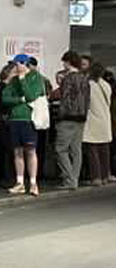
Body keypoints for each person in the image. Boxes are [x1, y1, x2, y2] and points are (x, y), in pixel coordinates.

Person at [3, 54, 45, 197]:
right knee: (17, 151)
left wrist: (22, 79)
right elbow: (5, 98)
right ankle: (20, 182)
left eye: (17, 64)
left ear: (24, 64)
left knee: (31, 150)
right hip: (15, 119)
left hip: (29, 119)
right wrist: (19, 99)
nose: (16, 67)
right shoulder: (12, 80)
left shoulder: (36, 77)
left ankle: (33, 183)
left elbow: (31, 95)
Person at [49, 51, 90, 191]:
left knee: (60, 149)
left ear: (68, 62)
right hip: (81, 118)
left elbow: (65, 99)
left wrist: (59, 116)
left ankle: (69, 180)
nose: (63, 64)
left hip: (67, 118)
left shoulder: (68, 78)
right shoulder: (85, 78)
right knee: (76, 150)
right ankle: (75, 180)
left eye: (64, 62)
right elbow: (87, 100)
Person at [83, 63, 113, 186]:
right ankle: (105, 176)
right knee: (104, 150)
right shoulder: (106, 85)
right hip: (105, 120)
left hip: (92, 120)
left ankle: (96, 177)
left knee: (92, 150)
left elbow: (85, 103)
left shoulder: (88, 85)